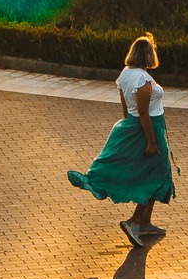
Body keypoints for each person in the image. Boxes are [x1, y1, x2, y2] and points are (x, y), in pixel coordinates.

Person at [67, 33, 175, 246]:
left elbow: (126, 109)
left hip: (133, 127)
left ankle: (145, 223)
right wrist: (151, 142)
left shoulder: (126, 74)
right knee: (159, 177)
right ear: (148, 55)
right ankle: (134, 222)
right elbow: (144, 113)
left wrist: (131, 131)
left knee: (151, 176)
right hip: (147, 129)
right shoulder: (143, 80)